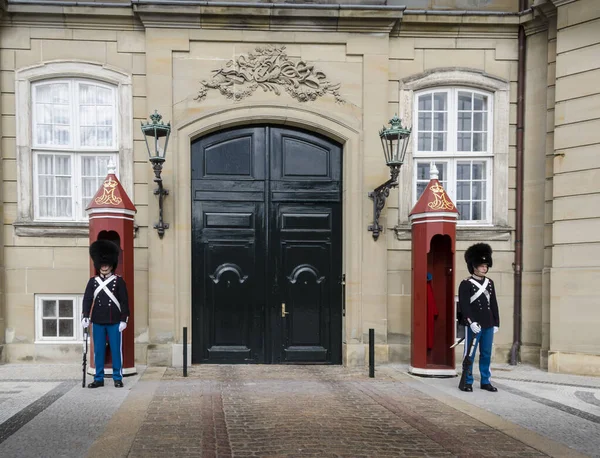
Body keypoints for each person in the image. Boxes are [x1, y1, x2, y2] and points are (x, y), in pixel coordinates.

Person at [81, 240, 130, 388]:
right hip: (98, 320)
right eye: (102, 264)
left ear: (111, 265)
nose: (104, 267)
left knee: (116, 350)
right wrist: (85, 316)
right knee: (99, 351)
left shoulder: (119, 281)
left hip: (114, 320)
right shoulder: (93, 282)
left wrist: (124, 319)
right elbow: (88, 299)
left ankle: (117, 377)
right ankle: (98, 378)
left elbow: (124, 302)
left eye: (106, 264)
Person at [458, 243, 500, 393]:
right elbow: (464, 306)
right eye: (481, 265)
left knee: (486, 353)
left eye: (485, 265)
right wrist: (470, 321)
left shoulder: (490, 283)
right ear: (473, 266)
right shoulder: (466, 284)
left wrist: (496, 322)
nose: (484, 268)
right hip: (474, 325)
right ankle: (467, 381)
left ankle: (485, 380)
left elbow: (493, 303)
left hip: (488, 323)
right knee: (469, 353)